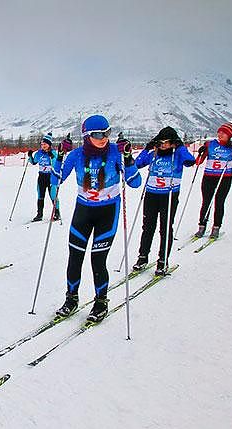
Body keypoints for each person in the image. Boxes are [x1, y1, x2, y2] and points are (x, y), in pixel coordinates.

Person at [52, 115, 141, 323]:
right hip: (83, 212)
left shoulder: (115, 154)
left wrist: (128, 159)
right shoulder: (76, 155)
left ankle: (101, 302)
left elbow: (135, 182)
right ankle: (71, 299)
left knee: (97, 259)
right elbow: (56, 179)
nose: (104, 138)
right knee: (75, 257)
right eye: (99, 134)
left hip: (107, 213)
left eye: (107, 133)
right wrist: (59, 156)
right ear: (86, 136)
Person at [133, 126, 196, 274]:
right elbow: (137, 164)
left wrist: (179, 147)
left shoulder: (178, 154)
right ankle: (143, 257)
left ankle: (163, 260)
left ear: (173, 142)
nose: (163, 145)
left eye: (166, 142)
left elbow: (190, 161)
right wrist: (146, 148)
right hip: (151, 194)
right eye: (160, 142)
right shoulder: (154, 153)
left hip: (169, 195)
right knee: (148, 227)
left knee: (165, 228)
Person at [193, 122, 232, 238]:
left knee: (219, 202)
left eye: (224, 133)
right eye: (220, 132)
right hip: (208, 177)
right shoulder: (209, 144)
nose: (221, 134)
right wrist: (200, 153)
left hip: (224, 178)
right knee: (206, 202)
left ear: (230, 135)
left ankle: (216, 227)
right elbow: (198, 162)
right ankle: (201, 226)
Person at [27, 133, 60, 222]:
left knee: (53, 195)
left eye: (45, 144)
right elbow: (34, 162)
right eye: (42, 144)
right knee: (40, 195)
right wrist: (30, 156)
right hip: (41, 176)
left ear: (49, 144)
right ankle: (39, 214)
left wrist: (52, 157)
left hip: (51, 177)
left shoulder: (53, 153)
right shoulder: (39, 153)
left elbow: (56, 165)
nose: (43, 146)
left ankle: (57, 213)